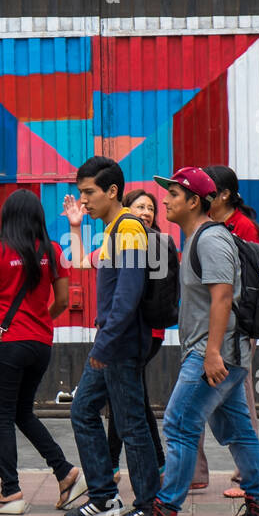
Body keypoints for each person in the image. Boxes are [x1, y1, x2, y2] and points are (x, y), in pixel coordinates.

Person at [113, 167, 259, 516]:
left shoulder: (210, 240)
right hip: (219, 353)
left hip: (213, 354)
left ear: (194, 201)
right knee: (238, 431)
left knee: (178, 423)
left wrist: (212, 353)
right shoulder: (197, 238)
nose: (165, 200)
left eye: (173, 194)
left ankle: (164, 512)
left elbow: (223, 296)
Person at [0, 189, 86, 514]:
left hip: (11, 345)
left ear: (8, 218)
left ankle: (10, 491)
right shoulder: (53, 251)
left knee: (3, 416)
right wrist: (40, 322)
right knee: (22, 412)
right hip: (41, 344)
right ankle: (66, 472)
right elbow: (63, 302)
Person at [62, 157, 161, 516]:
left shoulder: (129, 229)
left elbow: (128, 293)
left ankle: (150, 506)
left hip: (118, 344)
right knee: (85, 410)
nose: (83, 200)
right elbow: (80, 265)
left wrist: (104, 345)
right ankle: (105, 496)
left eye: (89, 192)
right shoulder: (111, 230)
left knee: (130, 423)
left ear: (112, 191)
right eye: (80, 192)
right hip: (112, 342)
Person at [198, 165, 259, 498]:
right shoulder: (207, 225)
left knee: (240, 395)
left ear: (224, 195)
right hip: (210, 322)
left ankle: (244, 474)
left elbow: (246, 284)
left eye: (209, 190)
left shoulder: (243, 228)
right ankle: (197, 472)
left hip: (235, 326)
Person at [104, 189, 169, 477]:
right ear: (126, 209)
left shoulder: (153, 243)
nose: (147, 212)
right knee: (134, 398)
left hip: (142, 332)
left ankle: (116, 463)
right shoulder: (126, 238)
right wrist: (76, 227)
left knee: (126, 399)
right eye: (140, 206)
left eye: (151, 208)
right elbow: (87, 260)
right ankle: (156, 461)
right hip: (136, 331)